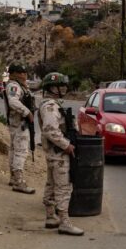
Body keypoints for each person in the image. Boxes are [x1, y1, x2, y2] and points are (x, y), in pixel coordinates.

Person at [38, 72, 83, 236]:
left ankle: (51, 216)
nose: (64, 88)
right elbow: (50, 129)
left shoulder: (52, 104)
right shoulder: (50, 106)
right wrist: (67, 145)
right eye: (61, 85)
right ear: (52, 88)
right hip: (59, 153)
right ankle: (64, 222)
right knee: (63, 187)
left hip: (54, 153)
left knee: (51, 184)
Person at [3, 63, 36, 194]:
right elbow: (13, 102)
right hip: (19, 124)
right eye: (22, 73)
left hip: (17, 123)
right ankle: (19, 182)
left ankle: (13, 178)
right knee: (21, 152)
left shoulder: (18, 86)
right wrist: (27, 112)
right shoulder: (13, 86)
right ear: (15, 74)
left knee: (14, 150)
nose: (24, 75)